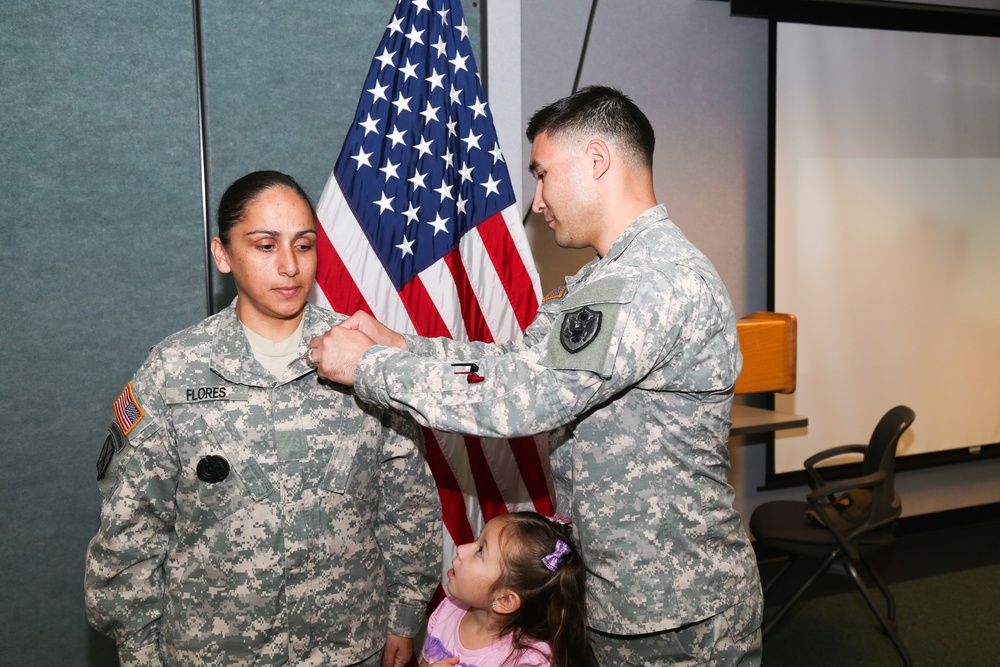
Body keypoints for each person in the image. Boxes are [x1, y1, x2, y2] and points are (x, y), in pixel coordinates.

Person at [308, 86, 763, 665]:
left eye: (544, 174)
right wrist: (405, 346)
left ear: (597, 160)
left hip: (676, 611)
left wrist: (369, 366)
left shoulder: (650, 283)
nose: (538, 199)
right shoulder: (607, 279)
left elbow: (522, 400)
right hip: (630, 597)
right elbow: (514, 365)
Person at [84, 170, 441, 667]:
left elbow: (407, 501)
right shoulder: (174, 370)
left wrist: (406, 613)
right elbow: (132, 527)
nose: (290, 266)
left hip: (349, 645)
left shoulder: (362, 355)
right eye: (265, 245)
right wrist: (139, 649)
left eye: (304, 245)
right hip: (215, 651)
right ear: (223, 254)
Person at [420, 512, 595, 667]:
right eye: (477, 540)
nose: (461, 549)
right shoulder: (448, 611)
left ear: (505, 600)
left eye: (480, 551)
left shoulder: (530, 660)